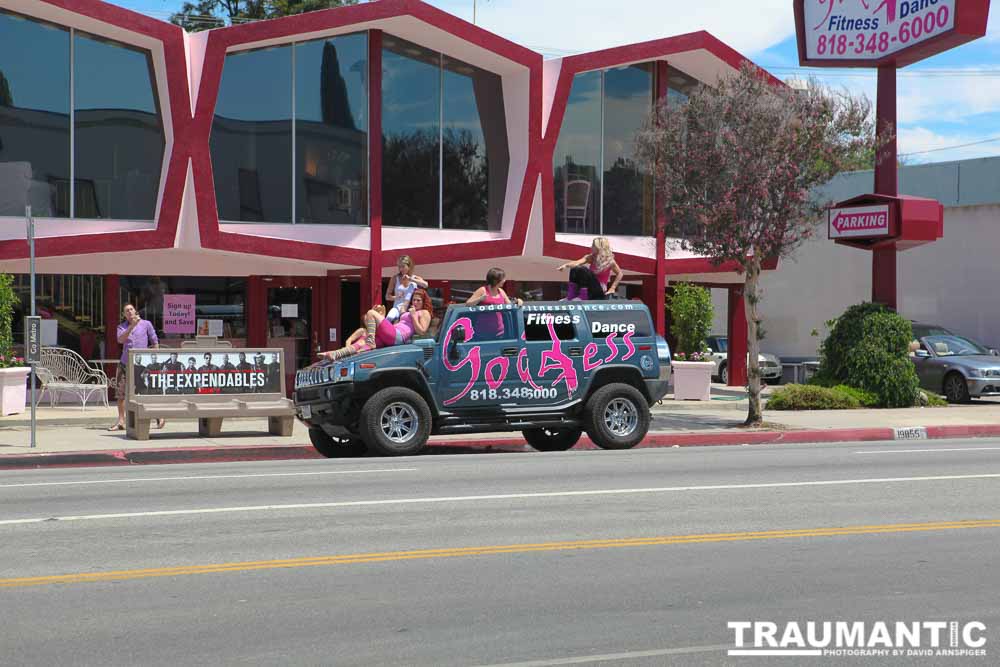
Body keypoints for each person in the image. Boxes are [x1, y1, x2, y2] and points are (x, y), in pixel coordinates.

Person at [109, 304, 163, 431]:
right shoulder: (121, 327)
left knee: (146, 392)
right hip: (125, 363)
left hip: (141, 364)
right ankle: (121, 421)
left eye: (131, 309)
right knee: (120, 394)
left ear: (135, 311)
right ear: (124, 315)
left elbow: (154, 340)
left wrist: (156, 358)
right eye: (126, 311)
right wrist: (131, 327)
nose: (129, 311)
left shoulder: (146, 324)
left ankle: (158, 416)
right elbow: (120, 340)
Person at [556, 236, 623, 300]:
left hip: (599, 289)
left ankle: (583, 296)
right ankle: (571, 295)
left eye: (593, 245)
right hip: (589, 287)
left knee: (583, 269)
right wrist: (566, 265)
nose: (591, 247)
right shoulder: (590, 257)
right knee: (575, 268)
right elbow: (577, 262)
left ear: (598, 247)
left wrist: (612, 288)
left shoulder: (610, 261)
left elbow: (620, 274)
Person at [465, 267, 522, 338]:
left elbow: (509, 306)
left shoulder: (501, 291)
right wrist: (480, 299)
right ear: (495, 280)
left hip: (499, 333)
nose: (504, 280)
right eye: (503, 278)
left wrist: (518, 301)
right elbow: (468, 304)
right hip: (482, 333)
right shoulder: (483, 290)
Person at [384, 255, 428, 322]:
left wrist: (410, 279)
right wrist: (396, 297)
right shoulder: (395, 278)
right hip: (397, 307)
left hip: (410, 308)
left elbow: (425, 285)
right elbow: (387, 297)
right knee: (389, 317)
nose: (400, 269)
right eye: (399, 267)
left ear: (409, 266)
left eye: (403, 266)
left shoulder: (415, 278)